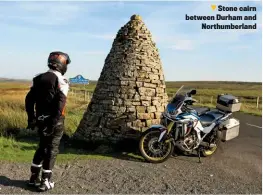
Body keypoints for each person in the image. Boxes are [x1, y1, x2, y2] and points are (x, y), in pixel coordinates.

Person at [25, 51, 71, 192]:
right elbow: (60, 106)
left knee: (41, 146)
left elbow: (29, 99)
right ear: (62, 65)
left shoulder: (38, 78)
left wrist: (31, 118)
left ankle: (33, 178)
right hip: (54, 122)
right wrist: (52, 124)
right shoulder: (62, 81)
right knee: (52, 149)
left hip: (40, 119)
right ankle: (46, 181)